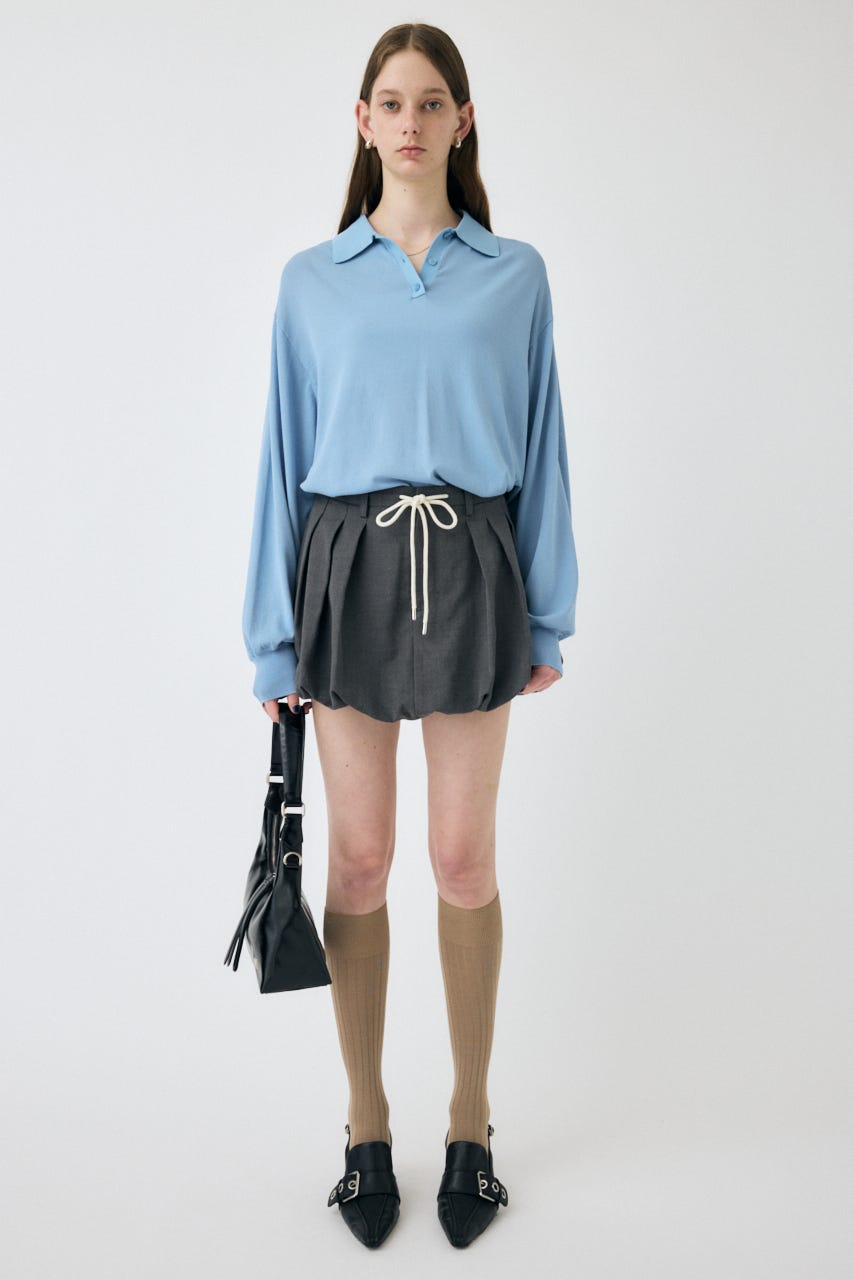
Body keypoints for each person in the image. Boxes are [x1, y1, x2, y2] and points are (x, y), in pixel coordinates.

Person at [241, 22, 579, 1250]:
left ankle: (471, 1121)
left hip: (476, 562)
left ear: (462, 120)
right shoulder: (312, 279)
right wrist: (272, 639)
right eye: (391, 101)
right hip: (347, 567)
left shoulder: (515, 274)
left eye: (432, 102)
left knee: (461, 860)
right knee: (360, 862)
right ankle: (366, 1125)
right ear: (362, 120)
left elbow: (541, 445)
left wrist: (547, 611)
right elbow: (282, 456)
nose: (411, 121)